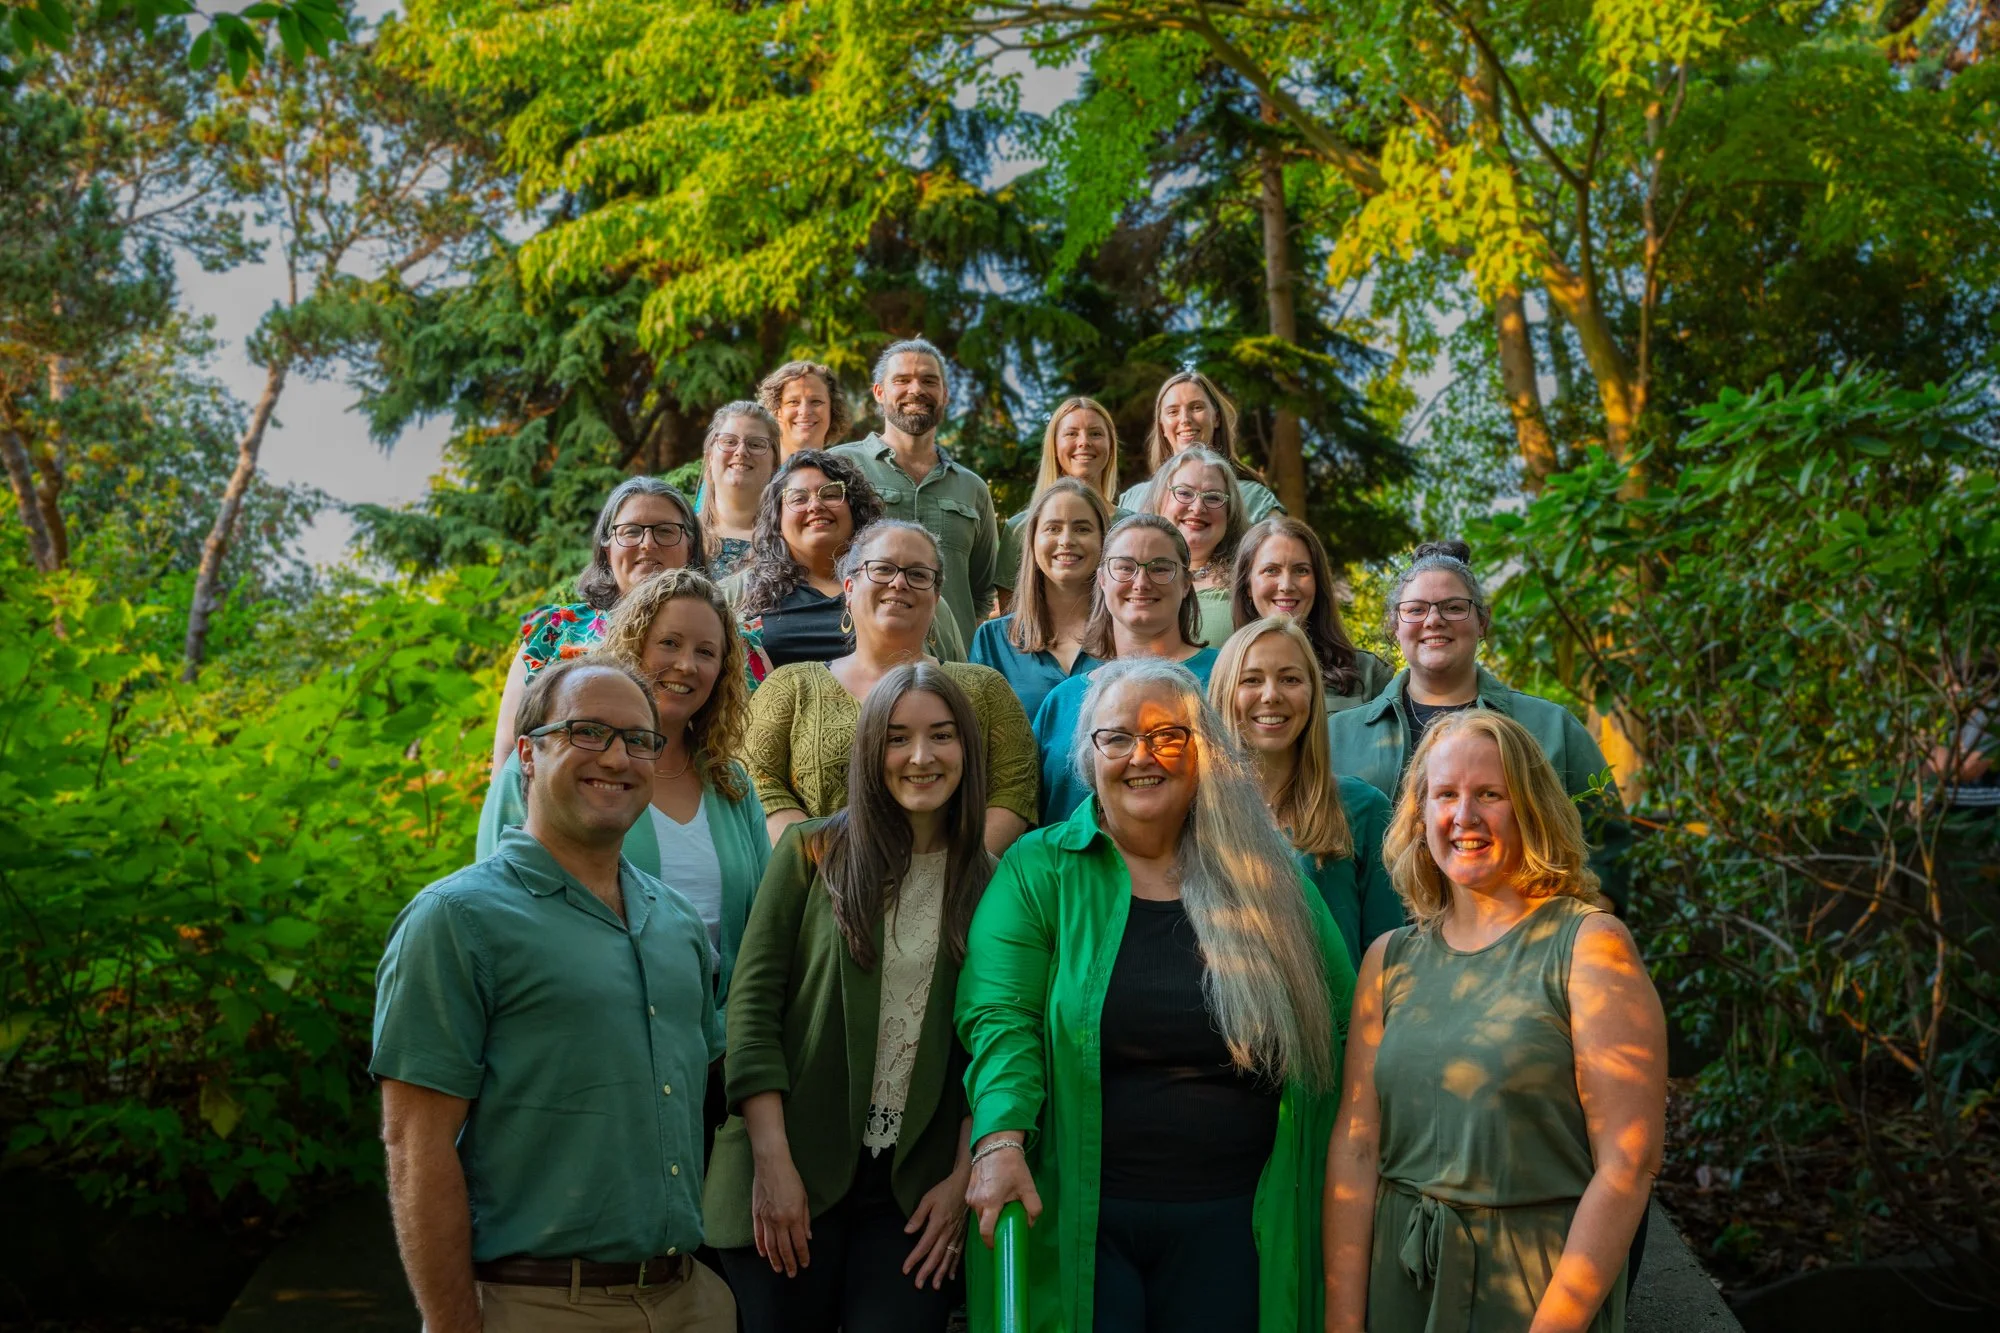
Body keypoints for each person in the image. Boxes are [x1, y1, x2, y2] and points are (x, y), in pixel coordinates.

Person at [958, 657, 1354, 1333]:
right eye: (1117, 737)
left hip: (1238, 1221)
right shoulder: (1040, 868)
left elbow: (1340, 1027)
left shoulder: (1266, 878)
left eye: (1168, 736)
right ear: (1087, 755)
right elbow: (1002, 1017)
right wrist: (999, 1137)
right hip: (1083, 1217)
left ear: (1206, 754)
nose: (1143, 756)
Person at [376, 657, 733, 1332]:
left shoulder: (679, 924)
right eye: (588, 732)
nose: (618, 757)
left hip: (687, 1298)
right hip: (536, 1305)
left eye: (638, 739)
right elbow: (413, 1143)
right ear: (528, 753)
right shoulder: (456, 920)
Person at [1323, 710, 1666, 1333]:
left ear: (1530, 808)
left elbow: (1628, 1164)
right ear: (1420, 813)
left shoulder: (1590, 946)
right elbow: (1356, 1148)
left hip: (1535, 1288)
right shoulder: (1389, 959)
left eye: (1489, 794)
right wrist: (1345, 1320)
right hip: (1399, 1278)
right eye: (1445, 795)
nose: (1464, 817)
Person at [707, 665, 992, 1333]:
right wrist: (772, 1160)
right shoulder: (812, 849)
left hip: (914, 1193)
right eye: (897, 738)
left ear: (966, 751)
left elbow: (996, 1043)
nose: (920, 757)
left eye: (941, 736)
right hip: (787, 1163)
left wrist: (960, 1181)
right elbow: (750, 1008)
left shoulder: (992, 882)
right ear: (870, 752)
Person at [477, 569, 769, 1005]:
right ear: (633, 647)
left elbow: (764, 928)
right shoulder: (549, 762)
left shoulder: (731, 783)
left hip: (719, 1047)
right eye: (669, 643)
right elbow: (492, 904)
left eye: (706, 652)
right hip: (582, 1022)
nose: (687, 665)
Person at [1330, 540, 1634, 909]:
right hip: (1377, 958)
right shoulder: (1337, 738)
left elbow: (1610, 858)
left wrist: (1565, 945)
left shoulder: (1552, 727)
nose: (1434, 619)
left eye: (1454, 608)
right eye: (1415, 610)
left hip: (1518, 952)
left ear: (1483, 622)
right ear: (1394, 626)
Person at [745, 519, 1037, 856]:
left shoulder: (985, 689)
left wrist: (942, 878)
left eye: (917, 574)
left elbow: (1015, 789)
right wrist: (832, 866)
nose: (899, 583)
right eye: (883, 569)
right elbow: (759, 784)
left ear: (936, 596)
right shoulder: (792, 687)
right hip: (820, 892)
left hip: (959, 897)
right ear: (850, 588)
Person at [1211, 617, 1399, 969]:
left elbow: (1388, 962)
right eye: (1251, 680)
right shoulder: (1192, 813)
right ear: (1224, 692)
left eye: (1290, 679)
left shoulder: (1363, 808)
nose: (1271, 695)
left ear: (1312, 694)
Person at [492, 477, 703, 772]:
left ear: (690, 548)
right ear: (606, 548)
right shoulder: (554, 631)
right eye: (631, 531)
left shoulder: (727, 638)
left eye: (665, 531)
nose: (648, 543)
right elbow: (508, 745)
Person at [1032, 514, 1218, 825]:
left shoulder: (1229, 677)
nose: (1141, 582)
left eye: (1160, 568)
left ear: (1186, 583)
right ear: (1102, 579)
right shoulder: (1062, 700)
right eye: (1124, 567)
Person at [830, 339, 1001, 644]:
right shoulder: (840, 467)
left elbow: (982, 590)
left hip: (949, 668)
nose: (916, 389)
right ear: (879, 392)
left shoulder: (972, 488)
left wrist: (951, 635)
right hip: (857, 654)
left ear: (945, 395)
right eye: (902, 380)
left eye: (928, 381)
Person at [725, 449, 885, 672]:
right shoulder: (737, 594)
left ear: (855, 508)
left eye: (830, 494)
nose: (815, 506)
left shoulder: (895, 585)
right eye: (798, 498)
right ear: (777, 518)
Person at [970, 478, 1112, 722]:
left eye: (1082, 528)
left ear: (1104, 541)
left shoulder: (1127, 634)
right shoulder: (992, 642)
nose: (1066, 540)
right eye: (1053, 528)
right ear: (1033, 542)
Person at [1230, 514, 1394, 711]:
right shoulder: (1225, 670)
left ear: (1318, 583)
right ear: (1247, 585)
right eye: (1271, 570)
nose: (1286, 585)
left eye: (1301, 571)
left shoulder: (1368, 673)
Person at [994, 397, 1127, 606]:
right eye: (1071, 434)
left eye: (1095, 433)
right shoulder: (1020, 529)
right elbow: (1010, 621)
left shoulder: (1131, 525)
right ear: (1054, 446)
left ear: (1111, 445)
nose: (1084, 442)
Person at [1115, 370, 1283, 524]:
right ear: (1161, 426)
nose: (1185, 419)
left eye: (1196, 407)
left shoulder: (1253, 498)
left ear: (1216, 418)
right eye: (1173, 412)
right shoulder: (1133, 500)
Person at [1141, 445, 1248, 650]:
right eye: (1184, 493)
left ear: (1230, 512)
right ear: (1159, 499)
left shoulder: (1248, 580)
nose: (1198, 508)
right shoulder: (1127, 573)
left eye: (1213, 497)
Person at [696, 401, 780, 581]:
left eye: (756, 444)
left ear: (775, 463)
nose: (741, 451)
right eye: (729, 442)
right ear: (710, 457)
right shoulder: (680, 537)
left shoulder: (790, 543)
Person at [759, 359, 853, 460]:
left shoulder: (847, 474)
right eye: (793, 402)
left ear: (832, 409)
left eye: (816, 401)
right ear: (776, 411)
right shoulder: (754, 473)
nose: (804, 411)